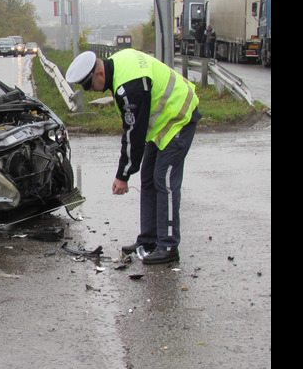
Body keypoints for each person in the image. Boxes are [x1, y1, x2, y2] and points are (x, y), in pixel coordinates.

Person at [65, 50, 201, 265]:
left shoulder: (129, 86)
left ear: (100, 73)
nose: (89, 90)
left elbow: (133, 132)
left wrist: (123, 175)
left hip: (178, 116)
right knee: (148, 178)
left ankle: (168, 245)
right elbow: (134, 129)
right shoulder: (119, 66)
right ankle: (148, 240)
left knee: (163, 180)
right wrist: (128, 171)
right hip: (163, 124)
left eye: (89, 85)